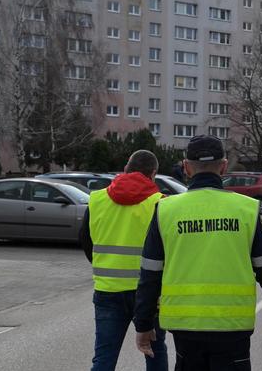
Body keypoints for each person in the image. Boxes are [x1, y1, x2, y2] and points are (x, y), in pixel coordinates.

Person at [134, 135, 262, 370]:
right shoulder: (246, 209)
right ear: (224, 166)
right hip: (232, 326)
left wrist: (143, 324)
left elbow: (150, 274)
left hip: (185, 326)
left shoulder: (165, 209)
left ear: (186, 167)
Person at [80, 150, 168, 371]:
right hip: (150, 292)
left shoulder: (97, 199)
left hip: (108, 290)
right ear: (153, 174)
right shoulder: (160, 204)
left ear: (126, 168)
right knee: (155, 352)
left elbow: (85, 241)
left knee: (104, 356)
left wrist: (106, 265)